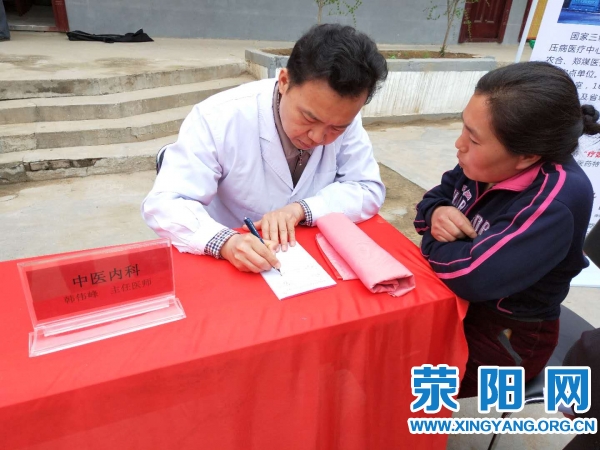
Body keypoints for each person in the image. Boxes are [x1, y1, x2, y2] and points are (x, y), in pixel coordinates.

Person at [413, 61, 596, 398]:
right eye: (464, 127)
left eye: (473, 138)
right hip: (459, 305)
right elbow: (433, 199)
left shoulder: (557, 200)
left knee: (396, 372)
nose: (459, 144)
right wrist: (437, 212)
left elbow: (470, 275)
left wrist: (431, 239)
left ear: (527, 156)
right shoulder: (484, 162)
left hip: (507, 338)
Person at [142, 24, 387, 273]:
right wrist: (225, 242)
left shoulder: (344, 118)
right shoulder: (218, 117)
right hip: (228, 259)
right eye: (309, 118)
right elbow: (165, 203)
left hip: (301, 256)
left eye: (336, 128)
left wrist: (302, 209)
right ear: (284, 81)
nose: (318, 137)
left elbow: (367, 189)